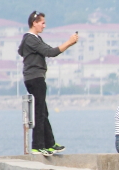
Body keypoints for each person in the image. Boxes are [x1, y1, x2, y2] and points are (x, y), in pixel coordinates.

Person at [17, 11, 78, 156]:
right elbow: (51, 52)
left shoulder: (34, 39)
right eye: (42, 23)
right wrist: (69, 42)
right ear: (34, 23)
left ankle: (49, 143)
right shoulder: (30, 39)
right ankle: (37, 146)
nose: (44, 25)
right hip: (35, 78)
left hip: (36, 77)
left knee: (43, 110)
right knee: (39, 111)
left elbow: (21, 51)